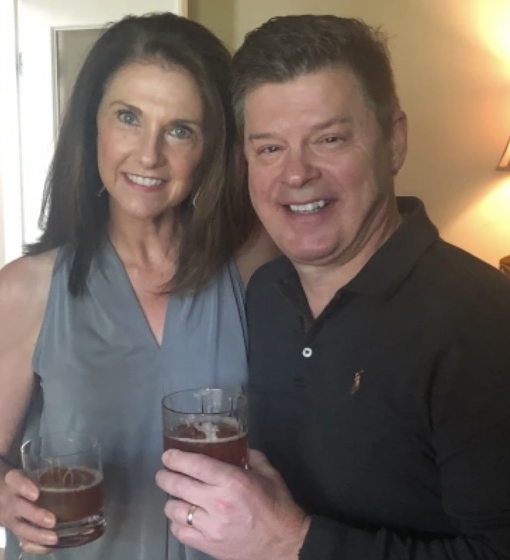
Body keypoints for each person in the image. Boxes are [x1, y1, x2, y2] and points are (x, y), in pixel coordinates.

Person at [155, 14, 510, 560]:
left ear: (394, 141)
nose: (297, 174)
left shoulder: (483, 322)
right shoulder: (265, 293)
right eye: (269, 148)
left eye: (330, 139)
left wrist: (290, 542)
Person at [0, 12, 276, 560]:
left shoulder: (254, 269)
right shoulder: (25, 290)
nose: (149, 154)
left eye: (180, 129)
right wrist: (7, 503)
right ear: (93, 126)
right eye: (128, 117)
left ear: (211, 148)